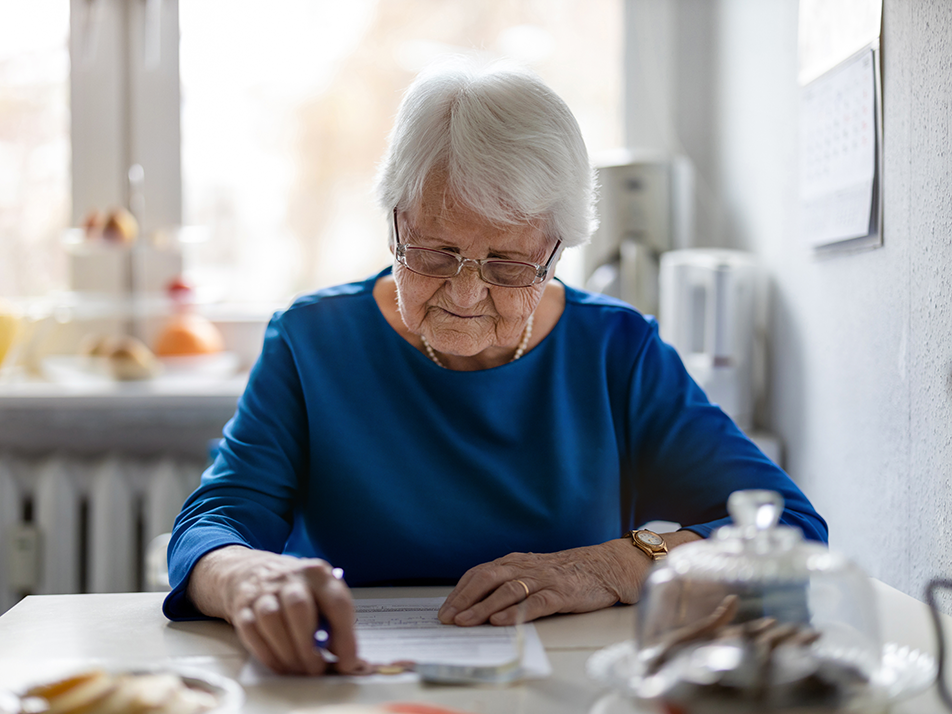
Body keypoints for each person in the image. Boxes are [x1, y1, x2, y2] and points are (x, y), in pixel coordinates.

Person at [163, 59, 828, 676]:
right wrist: (245, 576)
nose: (463, 293)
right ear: (395, 222)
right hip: (352, 680)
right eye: (432, 252)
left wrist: (617, 565)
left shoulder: (615, 350)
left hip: (565, 683)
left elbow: (790, 527)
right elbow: (216, 519)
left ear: (555, 252)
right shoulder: (313, 342)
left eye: (508, 265)